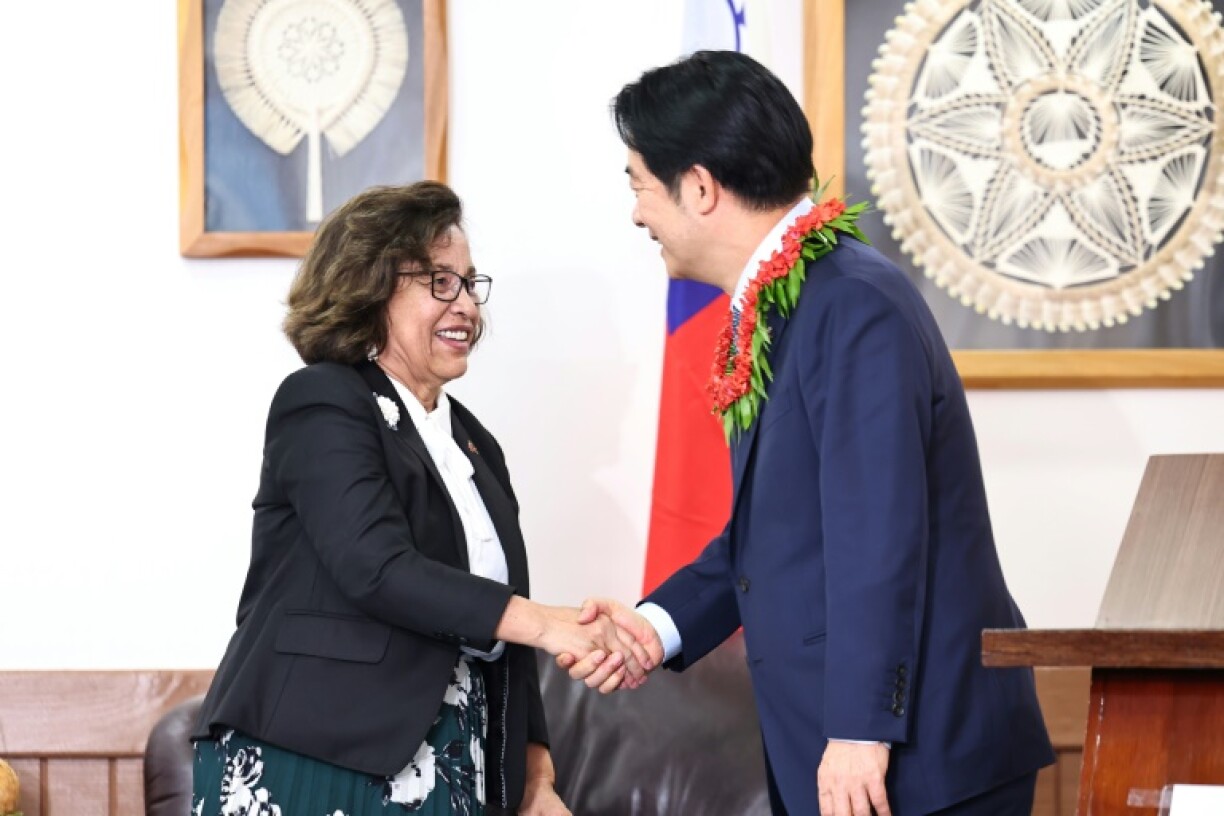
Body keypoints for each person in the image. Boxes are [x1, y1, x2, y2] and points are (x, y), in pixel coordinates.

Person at [562, 51, 1055, 816]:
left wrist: (860, 733)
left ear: (698, 187)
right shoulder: (794, 302)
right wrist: (655, 628)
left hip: (917, 764)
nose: (635, 214)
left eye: (637, 184)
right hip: (850, 754)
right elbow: (774, 535)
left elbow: (878, 533)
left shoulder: (853, 306)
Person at [192, 181, 650, 816]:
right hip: (315, 754)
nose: (466, 305)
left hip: (453, 767)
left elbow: (501, 631)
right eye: (439, 282)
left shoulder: (475, 444)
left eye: (469, 284)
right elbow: (375, 568)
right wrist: (546, 621)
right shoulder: (323, 400)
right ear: (370, 285)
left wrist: (536, 779)